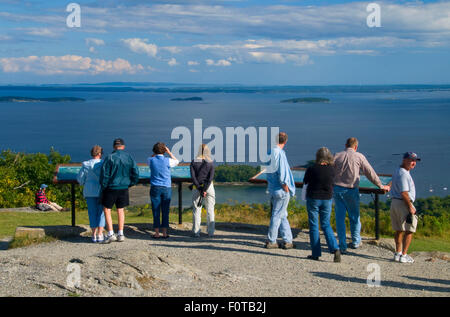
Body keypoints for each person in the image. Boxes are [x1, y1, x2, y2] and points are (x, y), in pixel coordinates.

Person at [333, 137, 390, 253]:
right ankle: (355, 241)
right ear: (356, 147)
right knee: (354, 217)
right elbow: (369, 172)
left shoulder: (337, 155)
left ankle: (342, 244)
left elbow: (329, 171)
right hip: (351, 189)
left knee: (340, 217)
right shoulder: (359, 156)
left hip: (337, 189)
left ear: (345, 145)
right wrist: (380, 185)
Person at [303, 147, 341, 262]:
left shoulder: (311, 169)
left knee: (314, 225)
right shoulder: (332, 170)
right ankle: (335, 248)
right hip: (327, 199)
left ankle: (316, 253)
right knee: (326, 224)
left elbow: (306, 181)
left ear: (317, 156)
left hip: (313, 198)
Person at [99, 138, 139, 243]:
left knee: (107, 210)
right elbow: (135, 172)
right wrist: (131, 183)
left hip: (111, 187)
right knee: (120, 210)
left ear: (114, 147)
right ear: (123, 146)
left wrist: (104, 186)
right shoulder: (129, 157)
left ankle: (111, 233)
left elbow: (105, 174)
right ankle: (121, 233)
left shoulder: (109, 157)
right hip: (124, 187)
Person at [264, 132, 295, 249]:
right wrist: (285, 186)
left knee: (282, 214)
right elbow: (282, 172)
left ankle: (288, 240)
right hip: (281, 189)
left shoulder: (269, 152)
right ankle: (271, 241)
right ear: (285, 141)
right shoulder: (280, 154)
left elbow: (266, 169)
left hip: (273, 188)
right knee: (277, 215)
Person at [389, 152, 420, 264]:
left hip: (394, 202)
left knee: (398, 229)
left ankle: (398, 253)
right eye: (411, 160)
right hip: (403, 203)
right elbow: (404, 193)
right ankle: (404, 255)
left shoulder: (398, 170)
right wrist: (410, 207)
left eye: (415, 161)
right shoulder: (404, 174)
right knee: (409, 229)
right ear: (404, 160)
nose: (413, 163)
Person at [148, 142, 179, 239]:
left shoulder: (150, 160)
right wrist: (169, 152)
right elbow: (177, 161)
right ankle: (164, 232)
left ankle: (157, 233)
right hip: (166, 188)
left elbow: (151, 157)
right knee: (165, 210)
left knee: (155, 210)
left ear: (154, 150)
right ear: (164, 151)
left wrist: (155, 153)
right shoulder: (168, 161)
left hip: (155, 187)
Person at [77, 145, 105, 243]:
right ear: (100, 154)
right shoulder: (103, 164)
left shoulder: (85, 164)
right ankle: (100, 234)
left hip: (89, 191)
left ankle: (93, 234)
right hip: (100, 190)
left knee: (92, 213)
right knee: (101, 213)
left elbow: (80, 179)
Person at [190, 144, 215, 238]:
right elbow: (210, 178)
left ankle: (196, 232)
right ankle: (211, 232)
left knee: (196, 209)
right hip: (209, 187)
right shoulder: (210, 162)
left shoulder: (194, 161)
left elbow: (193, 177)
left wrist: (200, 188)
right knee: (210, 210)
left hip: (197, 187)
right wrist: (204, 189)